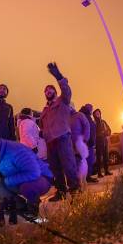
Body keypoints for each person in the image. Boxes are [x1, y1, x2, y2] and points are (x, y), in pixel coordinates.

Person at [0, 135, 53, 226]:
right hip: (18, 180)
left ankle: (33, 212)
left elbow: (34, 173)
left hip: (41, 178)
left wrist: (7, 181)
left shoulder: (16, 152)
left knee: (27, 187)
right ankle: (21, 207)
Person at [39, 62, 80, 201]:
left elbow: (67, 91)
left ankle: (75, 191)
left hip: (63, 138)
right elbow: (42, 125)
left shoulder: (62, 102)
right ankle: (61, 191)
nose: (48, 92)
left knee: (68, 165)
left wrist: (59, 76)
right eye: (46, 91)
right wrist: (42, 133)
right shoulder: (44, 111)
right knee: (55, 168)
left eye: (50, 90)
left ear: (55, 92)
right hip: (50, 142)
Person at [69, 104, 90, 186]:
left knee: (82, 162)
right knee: (74, 164)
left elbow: (87, 126)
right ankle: (78, 182)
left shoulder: (79, 115)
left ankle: (83, 181)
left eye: (70, 106)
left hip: (80, 143)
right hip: (70, 144)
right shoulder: (66, 118)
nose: (69, 108)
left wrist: (85, 139)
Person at [79, 104, 99, 183]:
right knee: (88, 161)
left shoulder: (87, 116)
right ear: (88, 109)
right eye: (91, 109)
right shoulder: (84, 116)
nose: (92, 110)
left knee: (90, 161)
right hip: (87, 143)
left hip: (89, 143)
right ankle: (86, 177)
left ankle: (87, 176)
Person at [93, 108, 112, 177]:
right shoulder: (94, 123)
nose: (98, 114)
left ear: (100, 114)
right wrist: (102, 133)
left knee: (106, 157)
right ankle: (99, 173)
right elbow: (94, 133)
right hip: (98, 142)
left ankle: (106, 171)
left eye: (99, 113)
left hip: (105, 141)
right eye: (96, 114)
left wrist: (107, 133)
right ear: (94, 115)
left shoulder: (103, 121)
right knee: (99, 158)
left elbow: (109, 130)